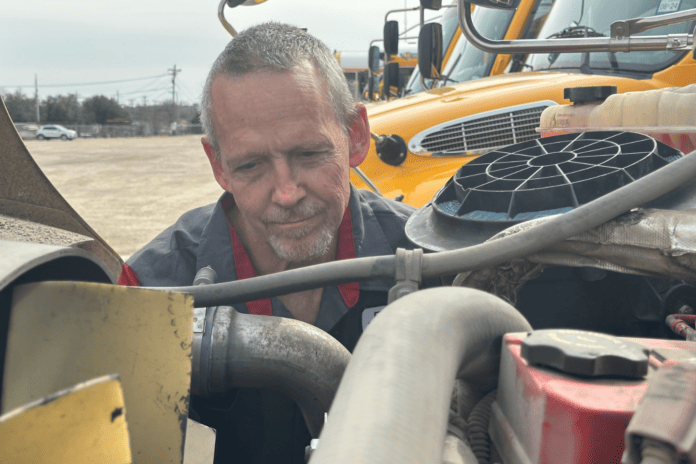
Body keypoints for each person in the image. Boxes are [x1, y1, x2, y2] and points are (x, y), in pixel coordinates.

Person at [118, 22, 437, 464]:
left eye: (308, 154)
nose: (286, 193)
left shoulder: (435, 263)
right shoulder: (148, 289)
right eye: (251, 165)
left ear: (356, 136)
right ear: (218, 165)